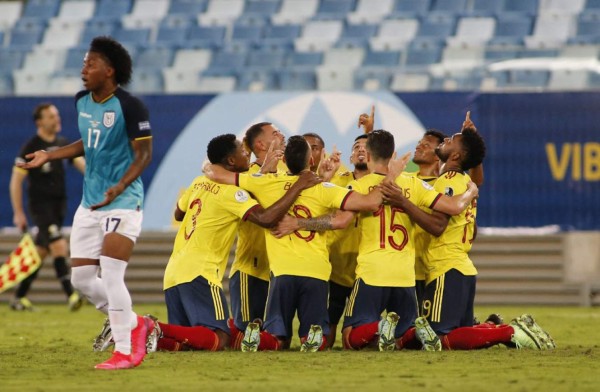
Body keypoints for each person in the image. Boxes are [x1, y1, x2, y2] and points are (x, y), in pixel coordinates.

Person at [18, 36, 155, 369]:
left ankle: (125, 351)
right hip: (90, 204)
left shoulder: (130, 105)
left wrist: (120, 185)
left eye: (90, 64)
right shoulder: (82, 101)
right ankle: (138, 324)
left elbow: (145, 153)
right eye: (83, 63)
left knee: (110, 274)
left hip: (123, 201)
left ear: (109, 70)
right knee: (80, 280)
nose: (83, 69)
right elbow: (87, 142)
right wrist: (50, 155)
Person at [206, 135, 404, 352]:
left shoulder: (265, 183)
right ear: (311, 162)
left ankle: (259, 337)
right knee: (316, 338)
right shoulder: (324, 188)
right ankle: (312, 339)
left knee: (277, 339)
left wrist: (260, 171)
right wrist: (391, 175)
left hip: (282, 273)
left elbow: (212, 172)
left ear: (284, 161)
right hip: (316, 273)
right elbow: (371, 202)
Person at [380, 126, 555, 350]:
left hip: (446, 267)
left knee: (437, 338)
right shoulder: (461, 182)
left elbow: (437, 225)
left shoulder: (450, 180)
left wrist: (402, 202)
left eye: (451, 140)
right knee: (461, 333)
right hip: (459, 268)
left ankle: (510, 332)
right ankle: (499, 327)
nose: (446, 140)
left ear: (456, 155)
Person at [149, 134, 320, 352]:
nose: (246, 152)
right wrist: (298, 186)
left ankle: (128, 333)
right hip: (200, 271)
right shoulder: (232, 193)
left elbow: (179, 213)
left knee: (185, 343)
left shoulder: (199, 182)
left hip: (173, 271)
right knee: (219, 337)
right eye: (241, 150)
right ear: (231, 161)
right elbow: (266, 219)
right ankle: (150, 326)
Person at [9, 102, 85, 312]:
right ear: (39, 122)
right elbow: (16, 182)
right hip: (40, 207)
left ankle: (18, 297)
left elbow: (83, 167)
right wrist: (18, 212)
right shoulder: (30, 147)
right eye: (51, 116)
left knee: (41, 251)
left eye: (57, 115)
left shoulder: (62, 143)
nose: (56, 119)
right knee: (59, 245)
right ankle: (72, 295)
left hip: (58, 205)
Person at [227, 122, 287, 349]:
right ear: (261, 144)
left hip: (277, 269)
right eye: (275, 133)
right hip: (249, 268)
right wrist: (264, 173)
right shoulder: (248, 175)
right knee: (244, 334)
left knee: (269, 336)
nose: (281, 134)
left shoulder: (286, 173)